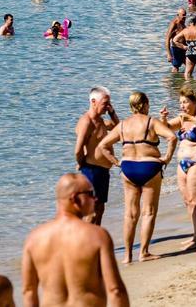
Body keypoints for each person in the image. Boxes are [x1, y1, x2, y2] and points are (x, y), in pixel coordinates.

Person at [21, 173, 129, 306]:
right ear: (74, 199)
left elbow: (29, 291)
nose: (95, 198)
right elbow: (115, 290)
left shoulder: (33, 239)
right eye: (90, 193)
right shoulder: (97, 236)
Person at [95, 92, 177, 264]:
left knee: (130, 214)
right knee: (148, 212)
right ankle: (144, 253)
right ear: (145, 104)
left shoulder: (123, 125)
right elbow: (172, 136)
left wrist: (116, 162)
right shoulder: (151, 121)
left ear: (131, 106)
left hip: (128, 168)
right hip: (150, 167)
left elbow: (103, 145)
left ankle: (127, 256)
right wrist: (167, 158)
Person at [161, 88, 196, 250]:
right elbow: (167, 129)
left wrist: (190, 118)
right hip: (182, 164)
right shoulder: (182, 118)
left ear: (194, 102)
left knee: (195, 200)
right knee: (187, 201)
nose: (182, 105)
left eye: (185, 102)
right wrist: (163, 119)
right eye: (180, 103)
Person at [74, 86, 119, 225]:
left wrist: (112, 113)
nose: (108, 107)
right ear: (93, 102)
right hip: (91, 171)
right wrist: (82, 163)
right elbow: (78, 149)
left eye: (109, 103)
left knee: (100, 209)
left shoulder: (101, 120)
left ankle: (96, 242)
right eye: (105, 103)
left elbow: (119, 128)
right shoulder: (86, 122)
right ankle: (84, 244)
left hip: (102, 172)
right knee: (91, 212)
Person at [171, 15, 196, 79]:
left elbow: (174, 40)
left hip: (190, 53)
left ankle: (189, 87)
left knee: (187, 74)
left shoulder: (185, 31)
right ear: (195, 22)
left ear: (189, 22)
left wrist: (183, 46)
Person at [165, 8, 188, 73]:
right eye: (183, 15)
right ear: (178, 15)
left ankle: (185, 80)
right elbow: (167, 39)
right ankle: (174, 81)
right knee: (175, 68)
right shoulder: (174, 23)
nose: (185, 17)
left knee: (189, 64)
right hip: (176, 49)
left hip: (183, 49)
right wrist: (169, 54)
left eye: (185, 15)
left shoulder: (183, 23)